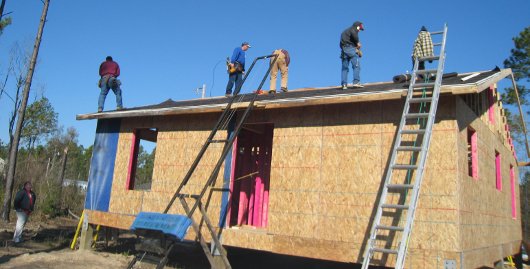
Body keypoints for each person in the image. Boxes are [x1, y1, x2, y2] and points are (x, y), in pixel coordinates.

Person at [340, 21, 364, 90]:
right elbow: (354, 35)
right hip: (350, 49)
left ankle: (344, 85)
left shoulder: (344, 32)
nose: (359, 30)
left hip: (344, 51)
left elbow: (341, 44)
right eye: (360, 29)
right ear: (358, 26)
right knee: (356, 66)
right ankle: (356, 82)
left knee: (344, 68)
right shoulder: (353, 29)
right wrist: (358, 43)